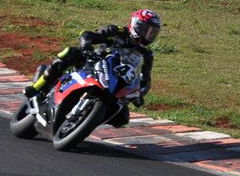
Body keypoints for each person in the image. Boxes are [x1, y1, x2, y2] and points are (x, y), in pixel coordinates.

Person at [24, 9, 162, 126]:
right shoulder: (117, 32)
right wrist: (86, 45)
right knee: (70, 52)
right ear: (135, 24)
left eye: (151, 32)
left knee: (123, 118)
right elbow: (88, 35)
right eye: (145, 29)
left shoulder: (146, 54)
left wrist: (139, 95)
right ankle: (37, 88)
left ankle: (86, 120)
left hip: (115, 81)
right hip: (93, 63)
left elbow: (146, 80)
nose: (147, 34)